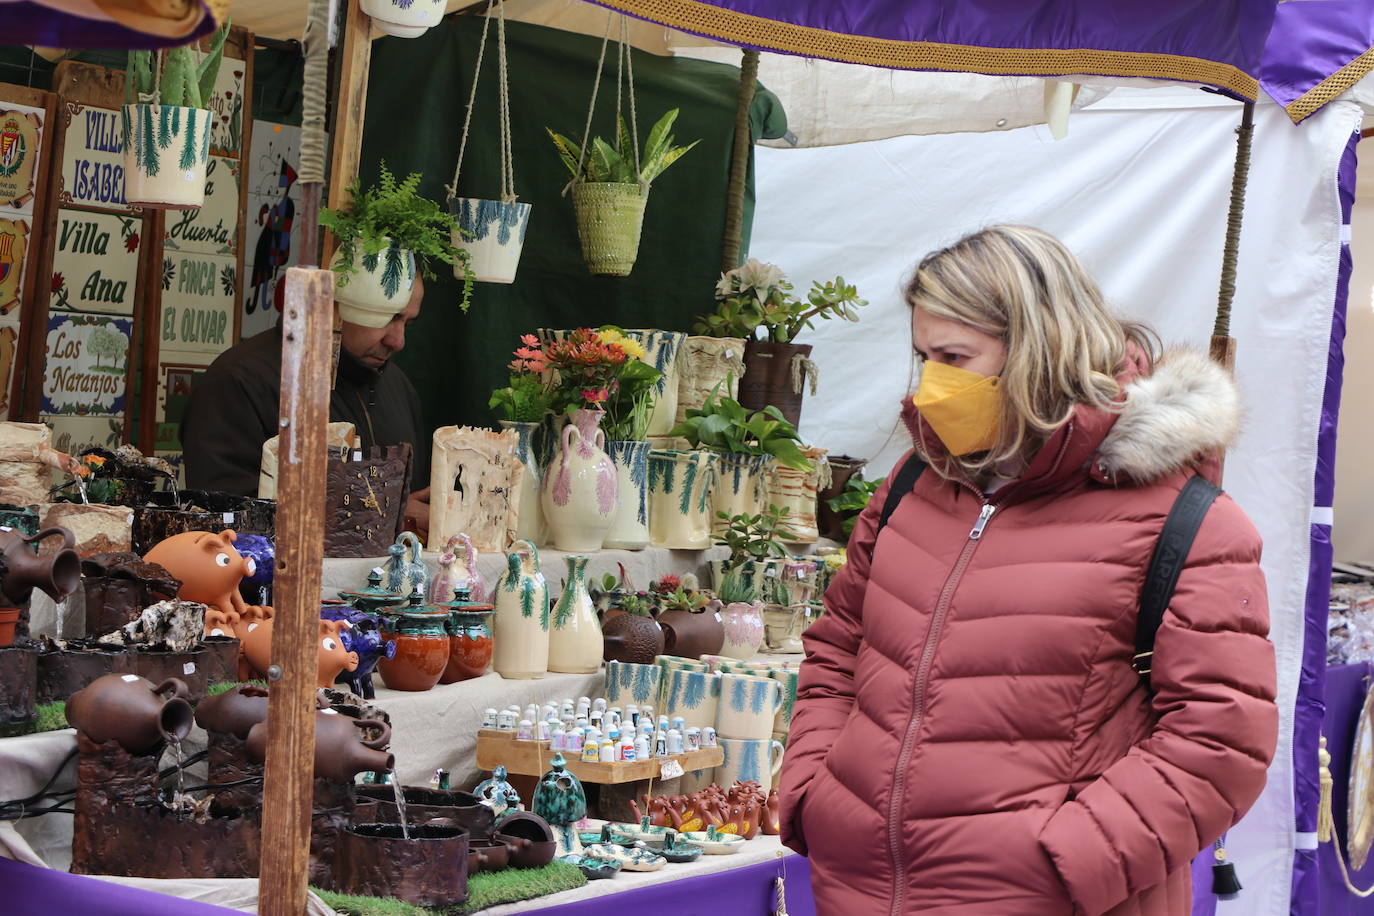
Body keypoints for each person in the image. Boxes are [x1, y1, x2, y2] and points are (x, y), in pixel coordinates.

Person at [778, 225, 1278, 915]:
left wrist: (1059, 863)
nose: (931, 384)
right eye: (924, 357)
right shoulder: (912, 486)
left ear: (1040, 350)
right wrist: (815, 792)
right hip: (862, 894)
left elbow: (1221, 741)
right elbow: (839, 647)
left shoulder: (1187, 521)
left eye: (955, 357)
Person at [182, 274, 431, 534]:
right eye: (387, 318)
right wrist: (388, 513)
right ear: (335, 303)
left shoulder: (397, 385)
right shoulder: (239, 381)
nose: (397, 341)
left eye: (407, 322)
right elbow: (224, 512)